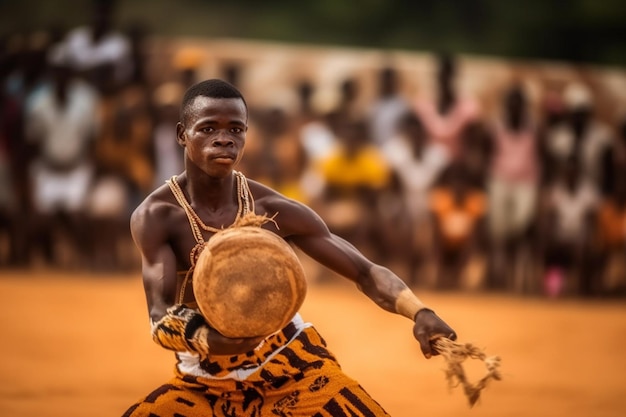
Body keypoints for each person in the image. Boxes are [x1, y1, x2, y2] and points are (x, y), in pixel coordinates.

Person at [124, 79, 457, 416]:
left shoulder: (271, 206)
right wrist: (214, 341)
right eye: (208, 128)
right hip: (202, 377)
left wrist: (419, 311)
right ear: (182, 134)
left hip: (289, 366)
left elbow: (365, 271)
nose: (223, 138)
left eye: (235, 129)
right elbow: (159, 315)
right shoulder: (157, 216)